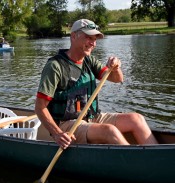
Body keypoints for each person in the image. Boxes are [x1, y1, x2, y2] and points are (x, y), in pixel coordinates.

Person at [35, 19, 158, 149]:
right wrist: (57, 134)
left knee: (136, 119)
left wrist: (116, 68)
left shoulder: (89, 60)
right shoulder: (55, 66)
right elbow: (40, 107)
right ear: (73, 36)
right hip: (67, 124)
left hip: (92, 117)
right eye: (88, 37)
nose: (93, 43)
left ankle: (157, 158)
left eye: (95, 39)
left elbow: (117, 79)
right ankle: (140, 164)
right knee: (109, 131)